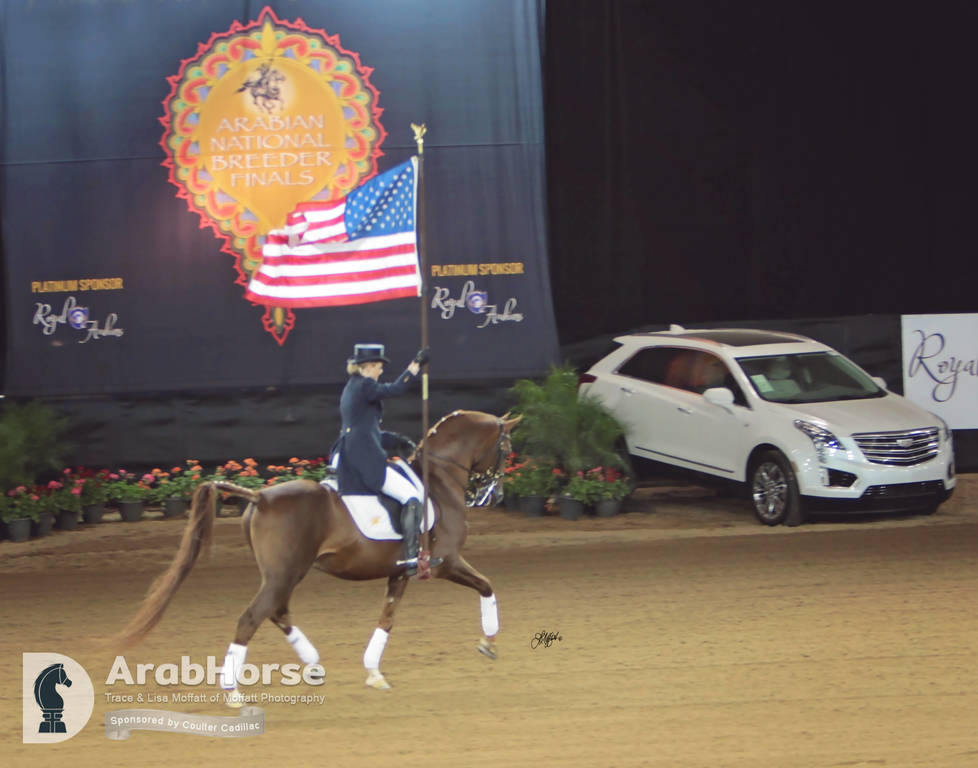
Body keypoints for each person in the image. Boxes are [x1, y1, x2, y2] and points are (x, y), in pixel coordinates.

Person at [332, 343, 440, 576]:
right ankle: (412, 559)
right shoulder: (365, 385)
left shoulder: (353, 388)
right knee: (412, 498)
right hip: (365, 460)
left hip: (353, 453)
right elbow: (395, 390)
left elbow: (365, 429)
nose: (380, 371)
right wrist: (415, 367)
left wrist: (395, 439)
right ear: (366, 366)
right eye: (378, 367)